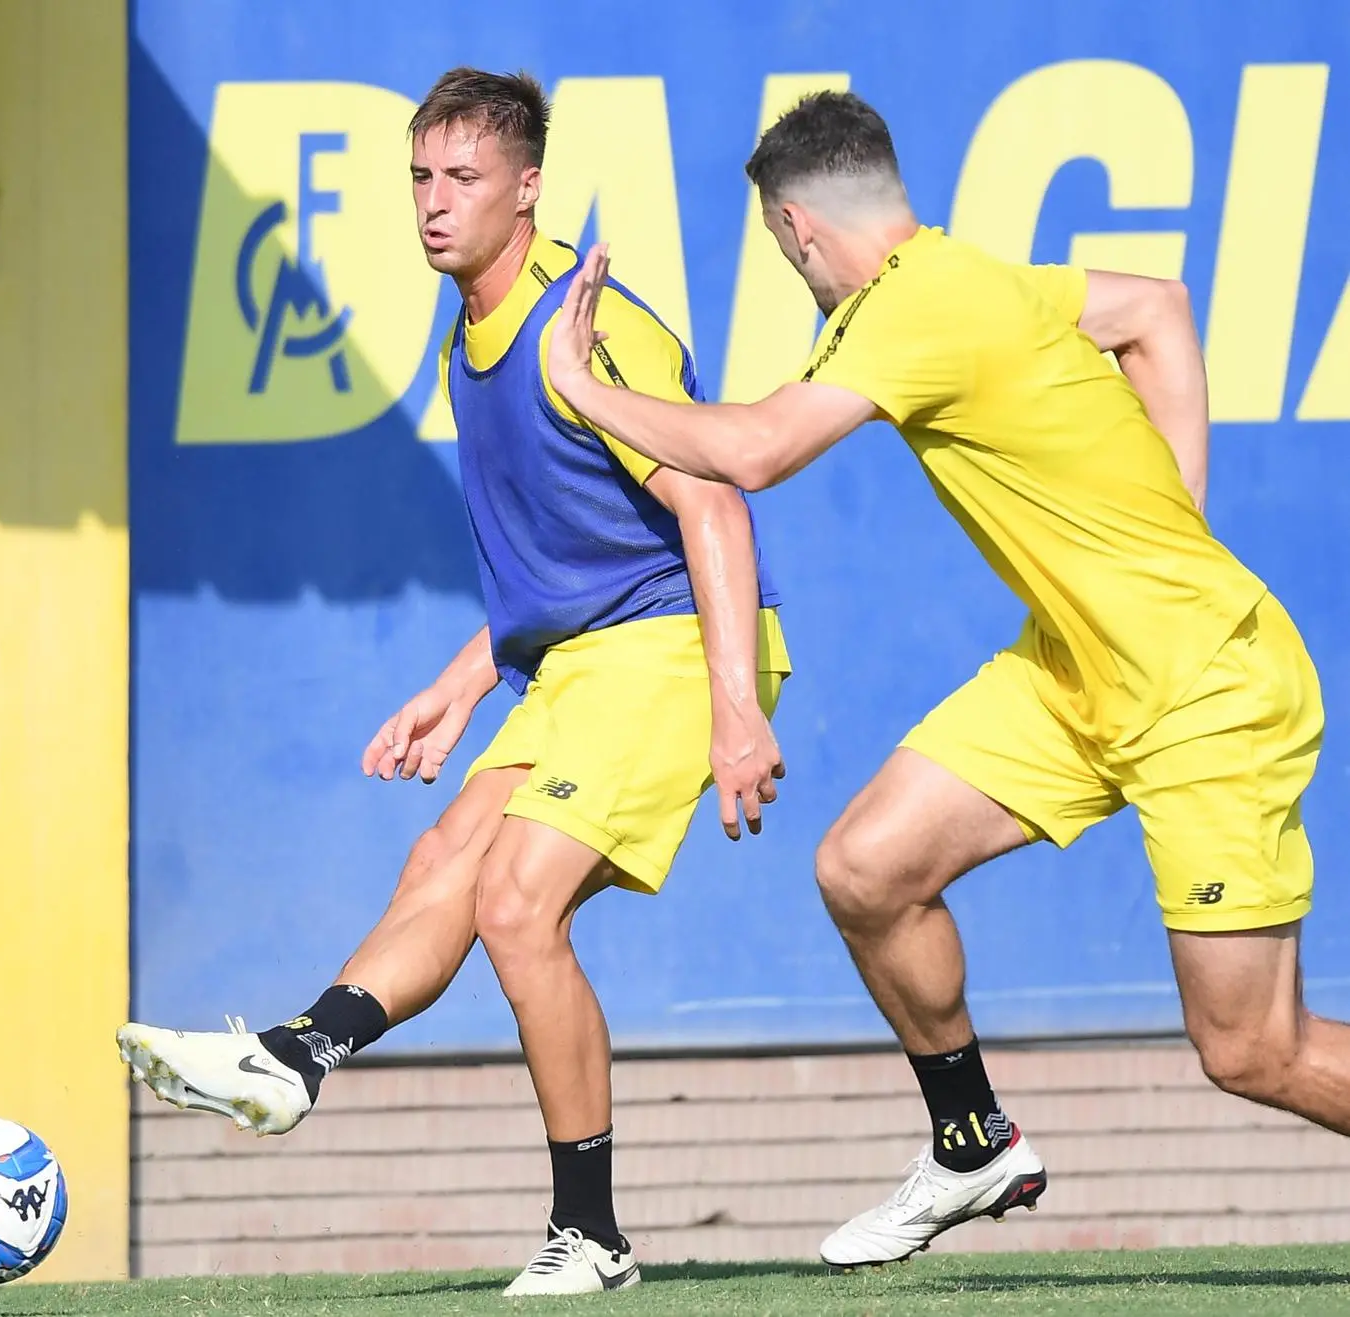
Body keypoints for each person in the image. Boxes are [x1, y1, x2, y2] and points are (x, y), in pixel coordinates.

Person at [545, 89, 1330, 1269]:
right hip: (1075, 677)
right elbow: (1155, 310)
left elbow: (754, 450)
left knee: (1251, 1051)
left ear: (802, 229)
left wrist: (584, 385)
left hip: (1207, 690)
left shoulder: (904, 309)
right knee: (867, 871)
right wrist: (1174, 518)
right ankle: (971, 1144)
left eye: (782, 251)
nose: (792, 269)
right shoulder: (983, 279)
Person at [117, 67, 792, 1296]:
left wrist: (737, 706)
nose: (433, 203)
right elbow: (560, 560)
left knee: (519, 904)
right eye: (421, 178)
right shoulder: (461, 341)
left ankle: (588, 1234)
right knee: (444, 861)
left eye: (463, 179)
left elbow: (712, 510)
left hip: (679, 649)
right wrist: (465, 679)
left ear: (527, 188)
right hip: (580, 662)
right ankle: (296, 1055)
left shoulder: (585, 325)